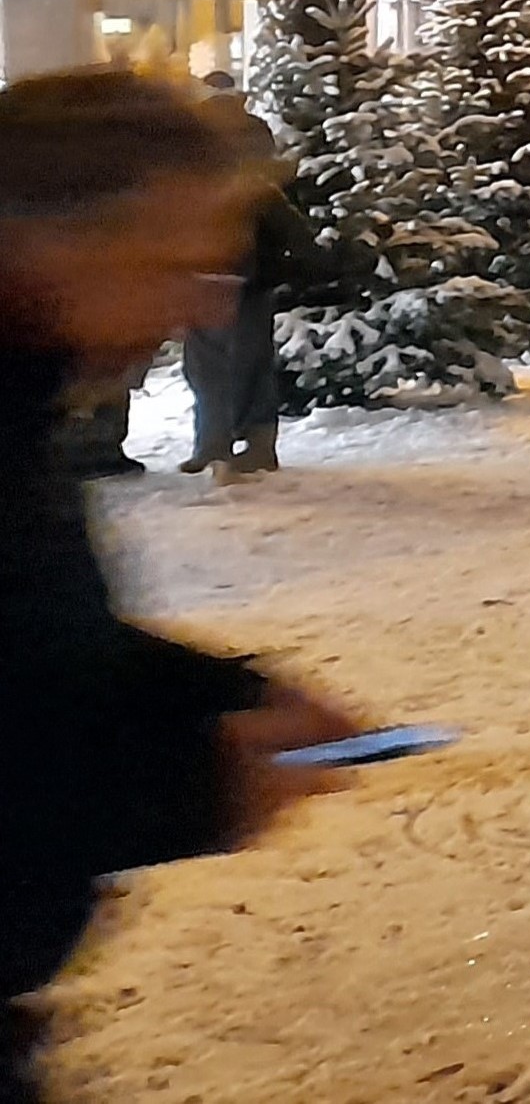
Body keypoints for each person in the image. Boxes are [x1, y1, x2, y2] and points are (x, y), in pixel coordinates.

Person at [2, 69, 363, 1104]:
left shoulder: (24, 404)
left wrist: (223, 695)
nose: (202, 304)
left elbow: (29, 647)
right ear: (50, 242)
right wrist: (195, 783)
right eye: (172, 264)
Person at [175, 87, 296, 477]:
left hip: (222, 277)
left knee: (212, 366)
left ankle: (222, 445)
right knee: (239, 363)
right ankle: (243, 444)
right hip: (241, 278)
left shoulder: (213, 158)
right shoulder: (250, 149)